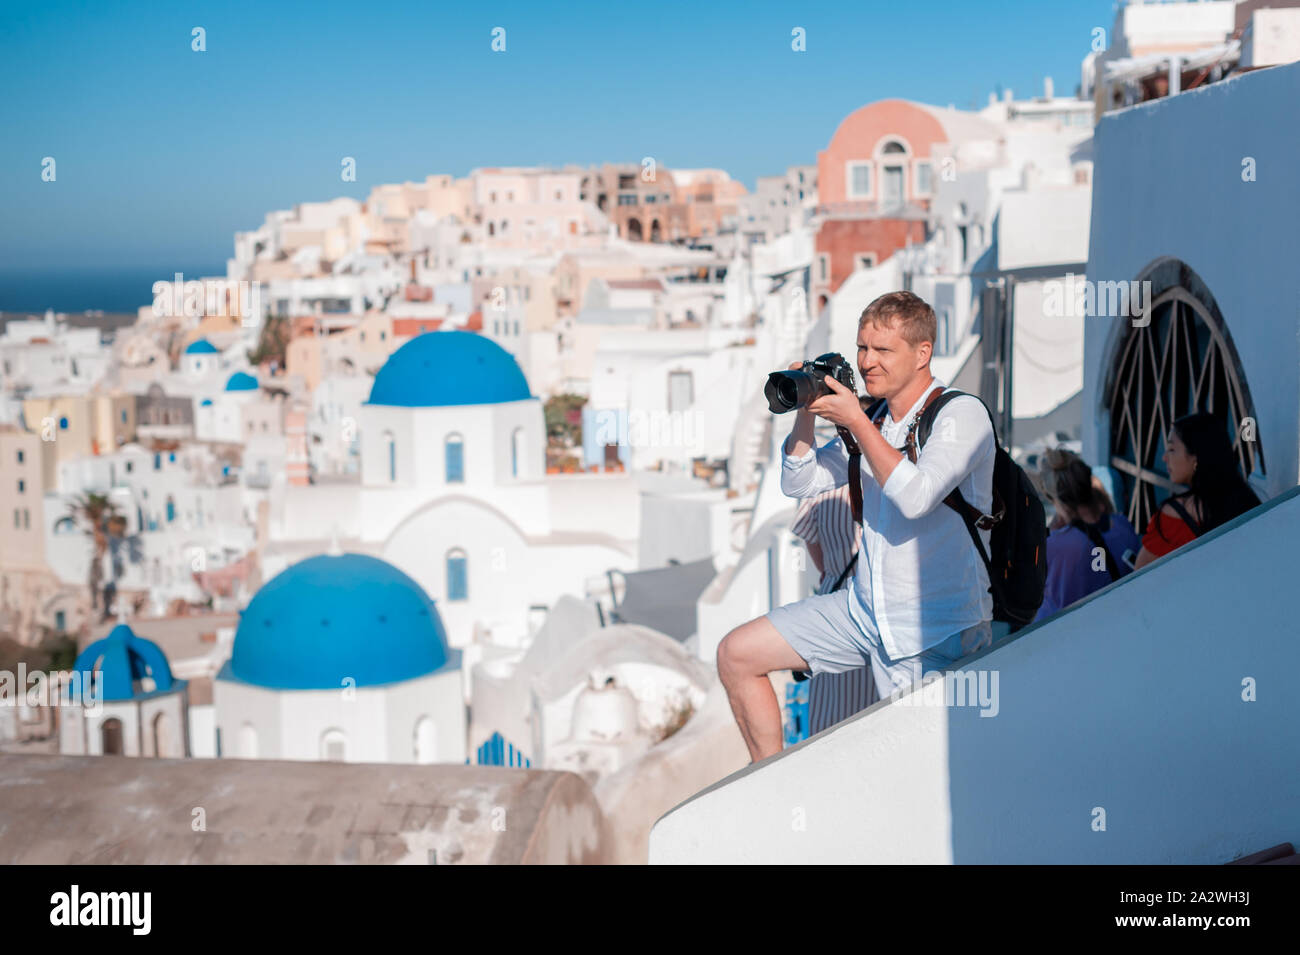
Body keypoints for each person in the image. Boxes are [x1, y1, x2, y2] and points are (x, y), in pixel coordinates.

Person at [716, 290, 996, 763]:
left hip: (933, 629)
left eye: (883, 350)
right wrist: (808, 407)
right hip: (864, 612)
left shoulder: (959, 415)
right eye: (863, 348)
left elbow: (916, 496)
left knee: (907, 774)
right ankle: (766, 782)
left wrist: (856, 423)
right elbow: (798, 481)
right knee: (736, 654)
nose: (867, 362)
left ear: (922, 353)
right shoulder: (877, 419)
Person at [788, 415, 880, 734]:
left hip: (832, 603)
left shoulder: (821, 484)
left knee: (831, 722)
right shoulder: (883, 479)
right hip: (877, 609)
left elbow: (819, 558)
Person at [1133, 412, 1260, 569]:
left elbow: (1139, 575)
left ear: (1195, 458)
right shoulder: (1249, 502)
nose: (1164, 458)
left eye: (1172, 449)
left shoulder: (1173, 516)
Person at [1033, 448, 1140, 622]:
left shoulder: (1052, 546)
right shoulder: (1122, 526)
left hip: (1060, 638)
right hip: (1117, 625)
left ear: (1054, 498)